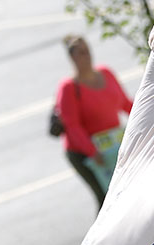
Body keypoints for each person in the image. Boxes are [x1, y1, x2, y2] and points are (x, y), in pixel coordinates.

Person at [54, 35, 133, 211]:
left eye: (87, 50)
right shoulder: (68, 87)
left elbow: (125, 104)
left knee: (124, 193)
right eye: (81, 53)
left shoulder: (106, 73)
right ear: (73, 57)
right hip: (85, 153)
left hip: (111, 145)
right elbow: (72, 126)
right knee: (105, 199)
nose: (87, 56)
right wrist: (92, 151)